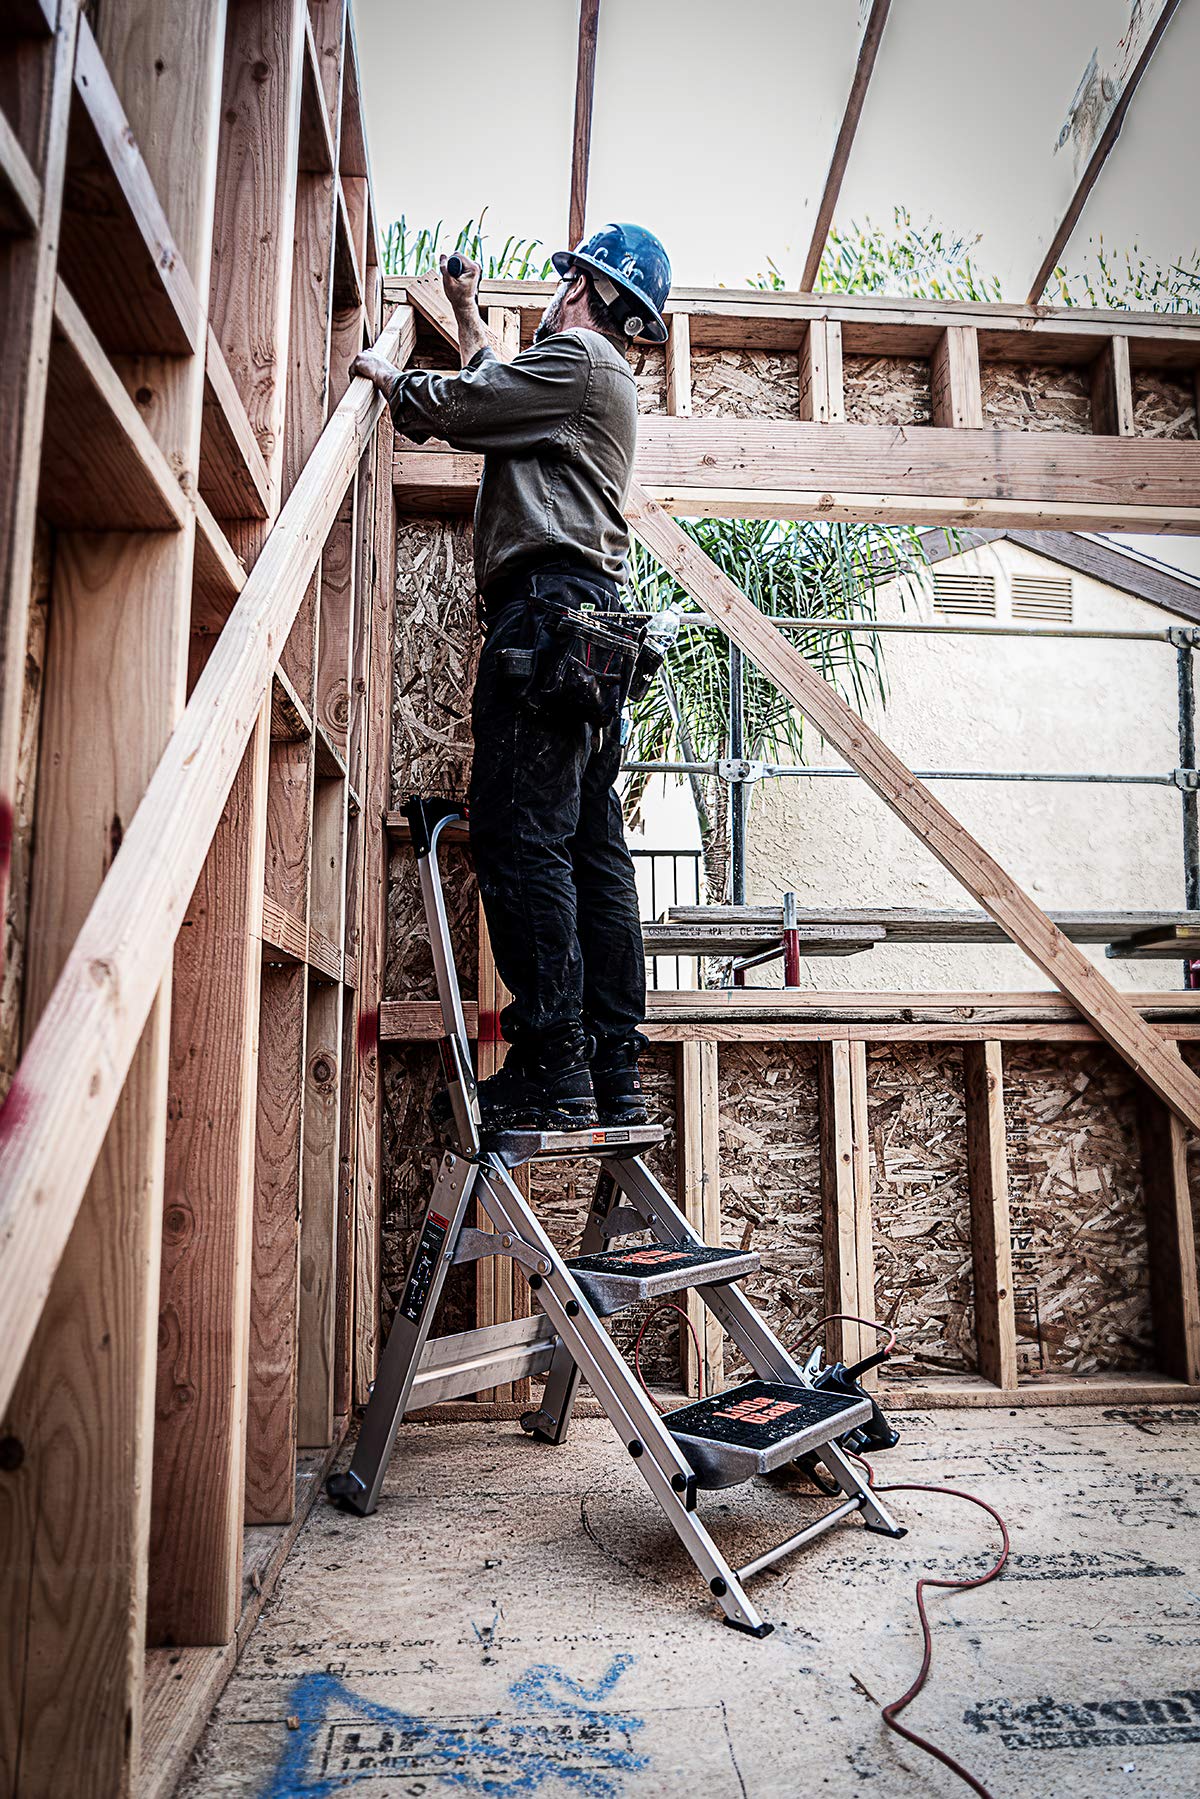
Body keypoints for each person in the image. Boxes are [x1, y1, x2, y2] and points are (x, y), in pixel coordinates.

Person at [351, 224, 672, 1133]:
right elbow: (502, 388)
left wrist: (394, 382)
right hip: (590, 628)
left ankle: (549, 1061)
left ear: (586, 292)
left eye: (567, 278)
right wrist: (464, 311)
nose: (557, 293)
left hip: (545, 619)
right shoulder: (583, 385)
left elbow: (470, 404)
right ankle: (611, 1066)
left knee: (519, 835)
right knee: (588, 848)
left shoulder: (578, 359)